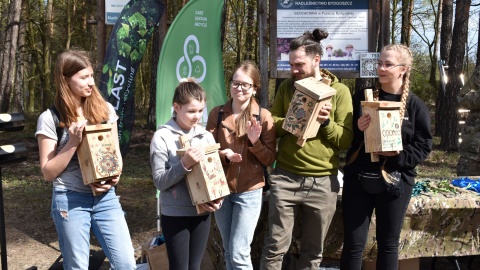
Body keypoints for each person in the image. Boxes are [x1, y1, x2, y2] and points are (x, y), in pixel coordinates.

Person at [260, 28, 354, 270]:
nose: (293, 70)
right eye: (291, 64)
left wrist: (325, 123)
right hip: (285, 178)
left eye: (299, 64)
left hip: (323, 182)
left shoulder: (340, 92)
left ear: (316, 60)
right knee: (274, 247)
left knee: (313, 252)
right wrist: (295, 119)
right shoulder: (287, 88)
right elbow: (273, 126)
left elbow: (344, 140)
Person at [35, 49, 136, 269]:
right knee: (78, 266)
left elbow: (116, 157)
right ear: (65, 79)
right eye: (83, 77)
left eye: (91, 75)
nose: (91, 82)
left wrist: (112, 179)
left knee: (127, 264)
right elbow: (48, 172)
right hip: (70, 200)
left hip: (106, 199)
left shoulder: (105, 110)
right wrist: (72, 143)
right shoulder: (50, 118)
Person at [340, 44, 433, 270]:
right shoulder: (363, 97)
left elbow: (424, 145)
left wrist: (398, 157)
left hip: (395, 181)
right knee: (353, 244)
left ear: (402, 69)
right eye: (379, 63)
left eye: (388, 64)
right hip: (359, 178)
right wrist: (358, 128)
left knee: (388, 244)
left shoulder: (415, 106)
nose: (381, 68)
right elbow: (347, 136)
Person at [206, 61, 276, 269]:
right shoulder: (217, 114)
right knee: (229, 251)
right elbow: (206, 153)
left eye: (245, 84)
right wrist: (224, 155)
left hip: (250, 191)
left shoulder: (264, 117)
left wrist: (254, 143)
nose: (239, 88)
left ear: (255, 88)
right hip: (221, 189)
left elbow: (270, 159)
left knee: (238, 252)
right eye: (235, 83)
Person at [150, 78, 222, 270]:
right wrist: (184, 164)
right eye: (191, 111)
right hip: (175, 214)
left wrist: (217, 197)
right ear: (176, 107)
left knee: (195, 267)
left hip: (202, 213)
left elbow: (213, 175)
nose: (197, 116)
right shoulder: (162, 137)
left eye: (200, 110)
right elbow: (159, 182)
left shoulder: (205, 135)